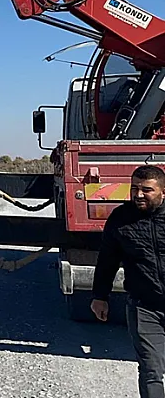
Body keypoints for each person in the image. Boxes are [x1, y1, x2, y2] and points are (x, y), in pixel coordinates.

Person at [92, 164, 165, 398]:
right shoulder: (120, 219)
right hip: (145, 307)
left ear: (163, 192)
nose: (138, 195)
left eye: (147, 190)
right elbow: (107, 260)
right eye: (134, 188)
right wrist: (99, 296)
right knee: (151, 370)